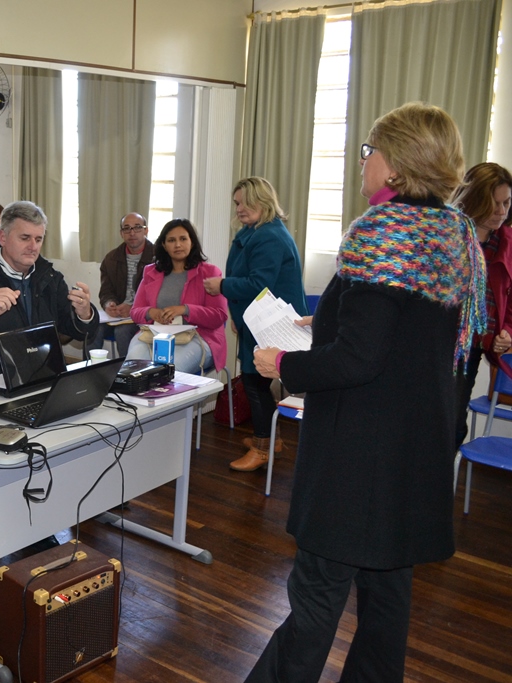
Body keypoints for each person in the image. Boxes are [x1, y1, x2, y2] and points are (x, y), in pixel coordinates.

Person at [245, 103, 485, 683]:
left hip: (358, 462)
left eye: (369, 149)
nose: (363, 161)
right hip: (413, 453)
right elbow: (406, 340)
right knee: (385, 606)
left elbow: (360, 357)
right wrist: (322, 323)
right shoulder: (455, 235)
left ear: (396, 164)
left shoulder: (384, 235)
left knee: (314, 605)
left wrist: (285, 363)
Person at [203, 177, 307, 471]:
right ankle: (270, 440)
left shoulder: (268, 236)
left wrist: (222, 286)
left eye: (241, 203)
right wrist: (237, 316)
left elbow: (259, 283)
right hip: (258, 319)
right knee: (256, 381)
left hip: (272, 322)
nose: (237, 209)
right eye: (236, 203)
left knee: (255, 381)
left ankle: (263, 447)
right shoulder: (257, 231)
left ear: (260, 202)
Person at [0, 201, 98, 385]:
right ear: (2, 237)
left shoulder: (50, 278)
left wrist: (84, 315)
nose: (33, 246)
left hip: (44, 381)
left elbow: (73, 329)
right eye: (25, 238)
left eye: (38, 239)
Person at [453, 162, 512, 446]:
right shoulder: (450, 235)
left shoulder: (508, 243)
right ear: (475, 199)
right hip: (435, 345)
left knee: (452, 425)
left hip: (473, 348)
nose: (502, 212)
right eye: (494, 204)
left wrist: (506, 333)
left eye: (507, 202)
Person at [125, 219, 227, 374]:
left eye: (183, 239)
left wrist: (185, 310)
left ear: (192, 242)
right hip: (155, 336)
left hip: (198, 337)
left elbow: (219, 316)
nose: (177, 245)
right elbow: (135, 311)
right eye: (171, 240)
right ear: (164, 245)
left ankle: (172, 398)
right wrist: (151, 312)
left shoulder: (210, 273)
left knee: (169, 369)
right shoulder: (151, 272)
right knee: (133, 368)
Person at [91, 212, 156, 357]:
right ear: (121, 233)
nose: (132, 233)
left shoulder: (157, 258)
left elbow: (159, 297)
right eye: (127, 229)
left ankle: (127, 376)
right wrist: (109, 304)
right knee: (92, 325)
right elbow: (105, 291)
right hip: (119, 317)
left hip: (146, 317)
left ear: (146, 230)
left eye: (137, 228)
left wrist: (133, 308)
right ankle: (88, 373)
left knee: (122, 332)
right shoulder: (111, 258)